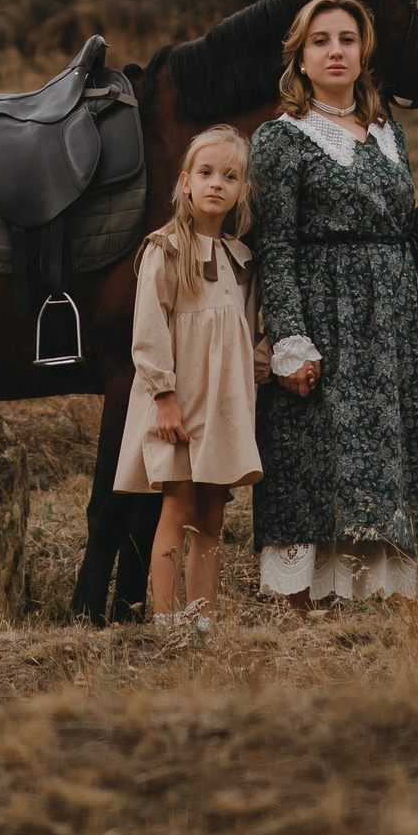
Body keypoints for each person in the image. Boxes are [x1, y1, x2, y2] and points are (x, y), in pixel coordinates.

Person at [249, 0, 418, 607]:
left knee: (404, 437)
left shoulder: (388, 134)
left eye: (347, 39)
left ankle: (389, 586)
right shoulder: (280, 139)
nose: (335, 51)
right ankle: (311, 598)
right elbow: (275, 245)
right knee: (320, 447)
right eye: (321, 41)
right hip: (326, 312)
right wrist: (290, 339)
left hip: (397, 315)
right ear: (299, 57)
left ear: (363, 52)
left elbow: (399, 238)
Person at [112, 124, 267, 625]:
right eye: (206, 173)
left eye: (229, 176)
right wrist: (163, 395)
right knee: (177, 505)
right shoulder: (165, 249)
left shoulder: (240, 260)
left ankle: (202, 616)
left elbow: (246, 333)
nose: (216, 183)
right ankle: (165, 616)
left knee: (213, 512)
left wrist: (261, 371)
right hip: (178, 402)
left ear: (243, 190)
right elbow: (149, 329)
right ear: (185, 182)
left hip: (223, 404)